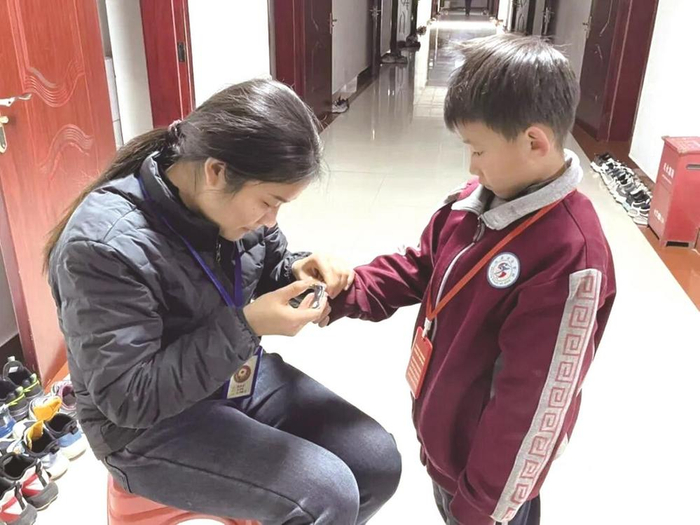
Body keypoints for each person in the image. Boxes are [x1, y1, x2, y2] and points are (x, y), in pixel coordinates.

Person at [46, 79, 401, 525]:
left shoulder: (228, 207)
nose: (271, 220)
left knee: (378, 461)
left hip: (231, 376)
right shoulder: (104, 247)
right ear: (216, 171)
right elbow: (130, 399)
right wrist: (247, 327)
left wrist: (298, 269)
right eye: (269, 202)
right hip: (144, 429)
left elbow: (263, 265)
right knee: (327, 494)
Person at [326, 35, 616, 525]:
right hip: (450, 444)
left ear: (535, 142)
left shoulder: (571, 256)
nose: (471, 164)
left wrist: (483, 506)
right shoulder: (473, 201)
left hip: (492, 484)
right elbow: (423, 265)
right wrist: (348, 290)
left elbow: (533, 403)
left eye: (478, 149)